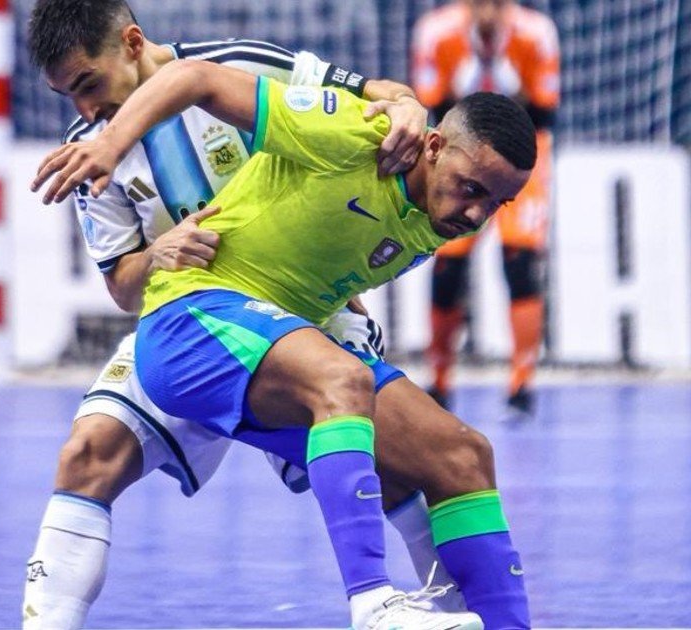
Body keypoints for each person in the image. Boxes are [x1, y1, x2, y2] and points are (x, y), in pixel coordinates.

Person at [32, 54, 537, 629]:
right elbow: (194, 76)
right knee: (337, 383)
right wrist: (109, 144)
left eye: (497, 203)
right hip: (191, 319)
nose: (477, 213)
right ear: (433, 148)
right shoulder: (352, 134)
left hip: (283, 338)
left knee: (462, 455)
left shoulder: (443, 209)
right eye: (471, 189)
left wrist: (404, 98)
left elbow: (383, 109)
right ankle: (374, 605)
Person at [411, 0, 560, 415]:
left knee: (520, 263)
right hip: (462, 156)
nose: (489, 14)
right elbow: (432, 109)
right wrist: (468, 87)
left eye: (497, 5)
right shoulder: (435, 32)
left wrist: (514, 92)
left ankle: (522, 383)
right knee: (447, 267)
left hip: (520, 160)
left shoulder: (537, 33)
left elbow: (546, 112)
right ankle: (440, 379)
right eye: (480, 5)